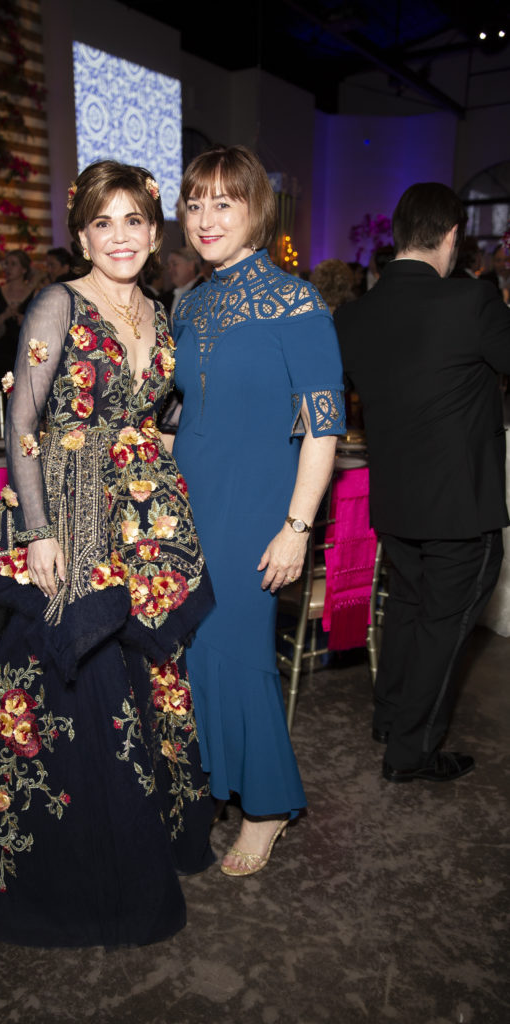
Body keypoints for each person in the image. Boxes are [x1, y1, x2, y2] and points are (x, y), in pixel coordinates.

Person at [0, 161, 216, 948]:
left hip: (143, 520)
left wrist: (171, 478)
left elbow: (159, 414)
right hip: (73, 514)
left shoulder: (159, 311)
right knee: (73, 677)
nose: (120, 236)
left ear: (153, 227)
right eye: (103, 222)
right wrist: (38, 532)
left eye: (133, 219)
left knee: (151, 671)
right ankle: (71, 866)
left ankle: (151, 835)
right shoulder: (57, 303)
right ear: (80, 235)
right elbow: (23, 423)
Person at [172, 145, 345, 876]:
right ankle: (215, 778)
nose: (206, 218)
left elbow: (324, 423)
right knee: (194, 653)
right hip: (186, 504)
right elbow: (186, 400)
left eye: (224, 202)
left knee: (240, 653)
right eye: (194, 202)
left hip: (255, 511)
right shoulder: (190, 300)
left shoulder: (296, 302)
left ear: (255, 212)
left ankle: (267, 807)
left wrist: (297, 527)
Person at [335, 182, 510, 783]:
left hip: (396, 499)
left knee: (408, 609)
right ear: (454, 236)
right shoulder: (473, 303)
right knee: (444, 627)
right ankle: (411, 749)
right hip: (462, 506)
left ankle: (390, 716)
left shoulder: (355, 315)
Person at [0, 249, 39, 390]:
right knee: (4, 396)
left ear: (24, 269)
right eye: (6, 264)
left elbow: (43, 326)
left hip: (25, 353)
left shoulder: (35, 293)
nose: (7, 268)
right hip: (3, 353)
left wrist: (26, 320)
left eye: (13, 264)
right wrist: (4, 316)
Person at [161, 246, 204, 323]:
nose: (170, 270)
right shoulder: (165, 298)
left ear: (191, 265)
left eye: (174, 264)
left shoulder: (204, 292)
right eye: (168, 266)